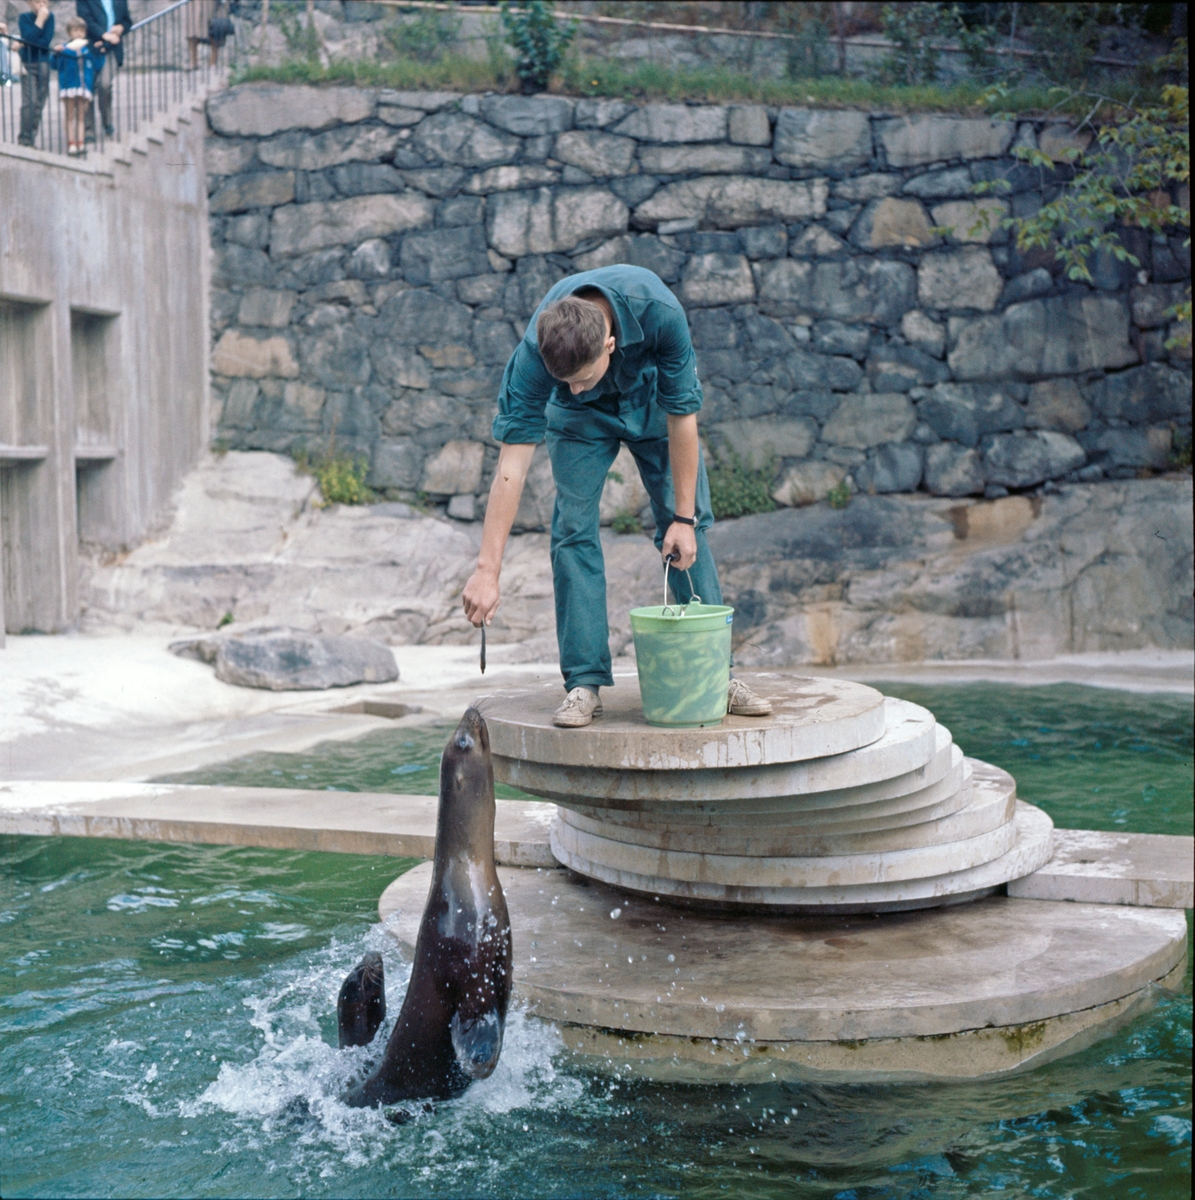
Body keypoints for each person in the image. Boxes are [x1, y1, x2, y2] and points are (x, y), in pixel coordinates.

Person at [461, 264, 772, 728]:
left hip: (652, 408)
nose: (575, 386)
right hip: (577, 423)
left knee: (689, 530)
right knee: (572, 531)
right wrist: (487, 570)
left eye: (582, 377)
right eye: (563, 380)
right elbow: (511, 466)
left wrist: (683, 520)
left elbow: (683, 418)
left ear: (610, 344)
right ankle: (584, 685)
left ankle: (715, 676)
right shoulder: (536, 356)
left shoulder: (660, 313)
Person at [76, 0, 130, 141]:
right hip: (91, 47)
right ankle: (89, 130)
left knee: (104, 84)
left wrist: (122, 27)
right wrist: (102, 34)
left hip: (111, 48)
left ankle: (107, 121)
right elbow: (84, 19)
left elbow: (127, 20)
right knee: (88, 87)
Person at [50, 15, 102, 156]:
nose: (79, 33)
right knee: (69, 116)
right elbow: (54, 65)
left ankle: (81, 143)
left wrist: (98, 52)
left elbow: (97, 65)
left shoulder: (87, 50)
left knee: (81, 117)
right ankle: (71, 143)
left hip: (84, 87)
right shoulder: (65, 49)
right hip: (69, 87)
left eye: (81, 30)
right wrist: (56, 54)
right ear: (69, 33)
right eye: (75, 30)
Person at [15, 0, 54, 147]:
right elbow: (29, 39)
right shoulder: (24, 18)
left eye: (44, 1)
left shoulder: (51, 18)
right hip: (28, 62)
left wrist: (31, 40)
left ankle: (31, 135)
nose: (42, 5)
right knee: (29, 101)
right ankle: (24, 137)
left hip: (43, 63)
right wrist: (40, 20)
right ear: (30, 3)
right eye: (37, 1)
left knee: (40, 101)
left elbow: (45, 42)